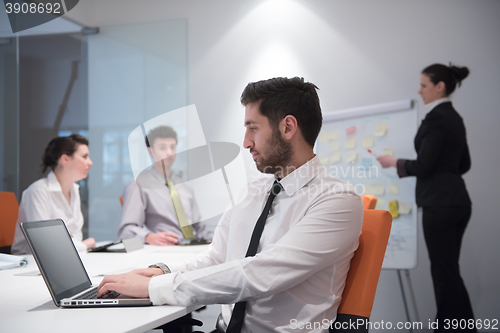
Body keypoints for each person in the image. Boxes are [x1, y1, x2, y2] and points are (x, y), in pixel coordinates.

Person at [98, 77, 363, 333]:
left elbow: (260, 274)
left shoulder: (336, 200)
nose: (246, 142)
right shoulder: (252, 192)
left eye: (253, 128)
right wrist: (159, 272)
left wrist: (155, 287)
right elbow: (217, 257)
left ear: (288, 127)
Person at [377, 64, 476, 332]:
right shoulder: (454, 117)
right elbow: (463, 164)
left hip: (440, 206)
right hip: (459, 203)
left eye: (423, 85)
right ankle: (462, 327)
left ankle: (448, 328)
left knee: (444, 275)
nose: (419, 91)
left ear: (439, 86)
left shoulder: (436, 119)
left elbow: (424, 166)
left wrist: (393, 162)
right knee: (450, 273)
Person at [117, 125, 212, 245]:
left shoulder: (185, 186)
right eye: (162, 148)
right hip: (162, 251)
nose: (169, 152)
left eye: (172, 147)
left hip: (192, 248)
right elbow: (126, 231)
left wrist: (219, 239)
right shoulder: (138, 185)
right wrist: (148, 237)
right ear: (151, 151)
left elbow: (200, 229)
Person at [11, 134, 96, 254]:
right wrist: (82, 245)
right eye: (84, 156)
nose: (90, 162)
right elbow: (44, 244)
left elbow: (76, 234)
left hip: (64, 258)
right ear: (65, 159)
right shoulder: (38, 191)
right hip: (30, 264)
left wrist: (79, 246)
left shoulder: (74, 190)